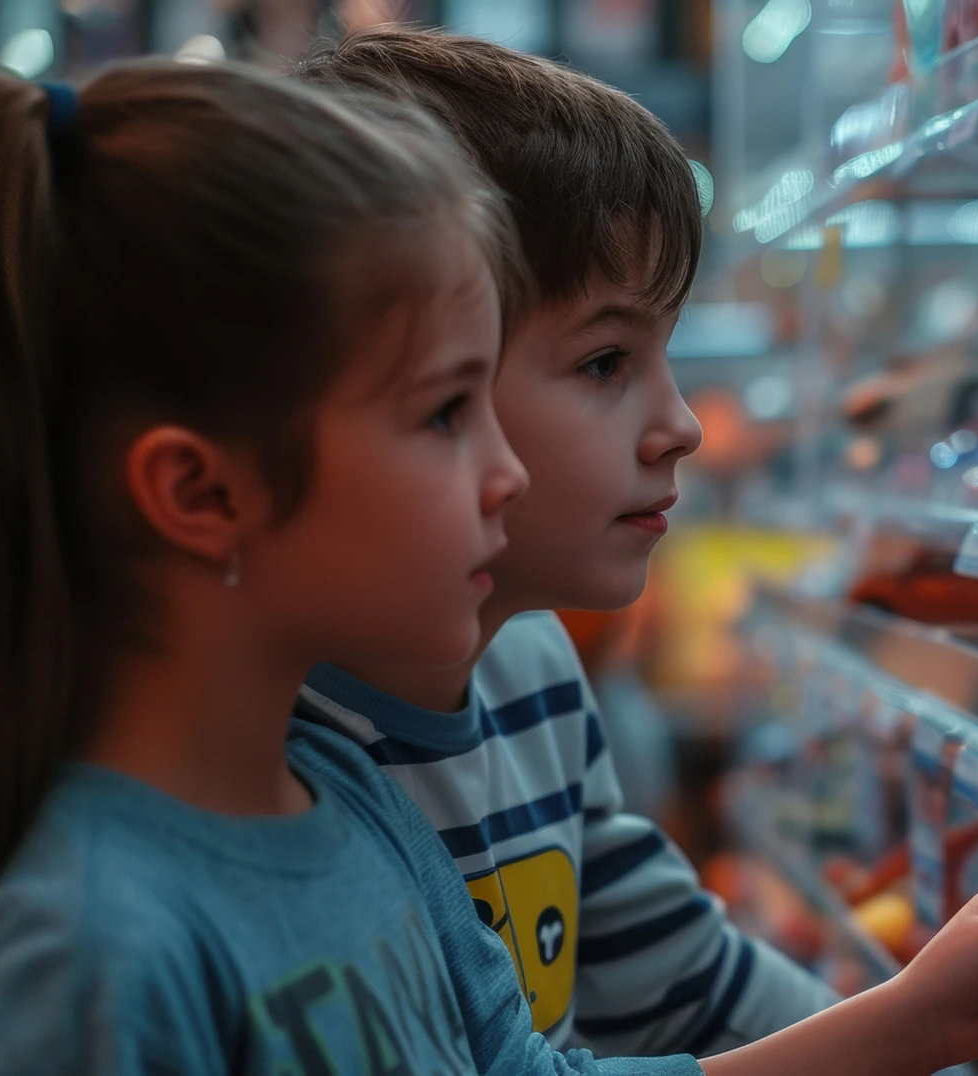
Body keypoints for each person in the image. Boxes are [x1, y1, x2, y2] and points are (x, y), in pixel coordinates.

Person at [0, 61, 978, 1074]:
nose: (501, 472)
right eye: (447, 411)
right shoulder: (93, 934)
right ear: (205, 493)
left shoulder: (357, 799)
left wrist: (924, 1028)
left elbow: (593, 1026)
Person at [290, 28, 838, 1055]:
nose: (683, 424)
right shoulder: (274, 744)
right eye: (603, 361)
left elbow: (693, 985)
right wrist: (922, 1018)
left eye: (662, 352)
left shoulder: (533, 665)